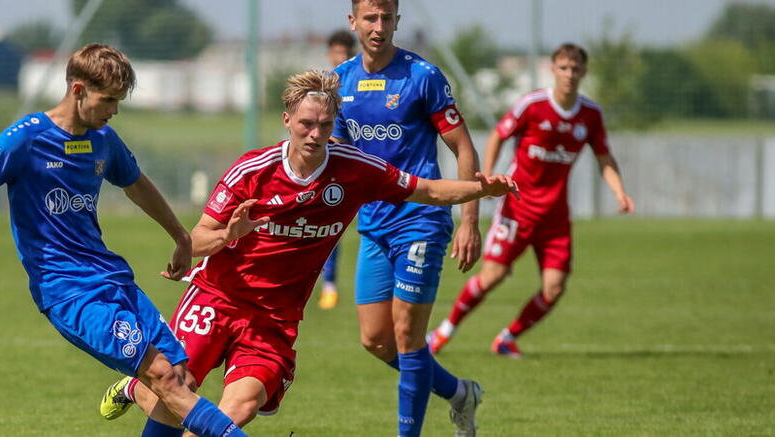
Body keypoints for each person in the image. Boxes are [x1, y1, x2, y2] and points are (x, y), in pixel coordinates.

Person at [98, 70, 518, 437]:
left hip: (274, 319)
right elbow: (196, 241)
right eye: (306, 124)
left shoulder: (355, 169)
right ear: (287, 122)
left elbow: (425, 189)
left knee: (241, 407)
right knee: (173, 392)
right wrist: (232, 232)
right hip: (216, 297)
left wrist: (483, 189)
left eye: (325, 124)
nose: (315, 134)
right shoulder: (252, 171)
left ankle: (143, 390)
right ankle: (139, 388)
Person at [0, 43, 247, 437]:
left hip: (114, 279)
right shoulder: (27, 138)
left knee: (181, 380)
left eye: (119, 100)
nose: (114, 110)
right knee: (163, 378)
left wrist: (180, 236)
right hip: (69, 291)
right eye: (109, 100)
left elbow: (136, 184)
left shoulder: (103, 139)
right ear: (78, 89)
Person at [332, 1, 484, 435]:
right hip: (374, 225)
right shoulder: (339, 82)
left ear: (398, 20)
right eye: (370, 18)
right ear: (353, 22)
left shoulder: (423, 77)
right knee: (375, 340)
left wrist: (469, 219)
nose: (378, 27)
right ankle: (460, 393)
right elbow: (340, 159)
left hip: (422, 217)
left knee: (406, 335)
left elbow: (464, 147)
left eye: (386, 18)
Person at [427, 43, 635, 358]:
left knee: (554, 288)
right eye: (563, 68)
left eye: (575, 69)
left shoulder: (590, 115)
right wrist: (488, 174)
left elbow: (604, 157)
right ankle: (443, 333)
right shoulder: (533, 105)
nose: (569, 75)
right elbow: (499, 134)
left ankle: (507, 338)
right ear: (553, 70)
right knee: (492, 276)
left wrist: (619, 191)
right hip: (518, 208)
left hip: (555, 217)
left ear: (583, 72)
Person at [318, 28, 357, 310]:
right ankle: (328, 285)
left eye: (346, 53)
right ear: (330, 54)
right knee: (325, 227)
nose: (341, 57)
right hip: (328, 169)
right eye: (337, 53)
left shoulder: (358, 83)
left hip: (357, 168)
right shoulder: (321, 88)